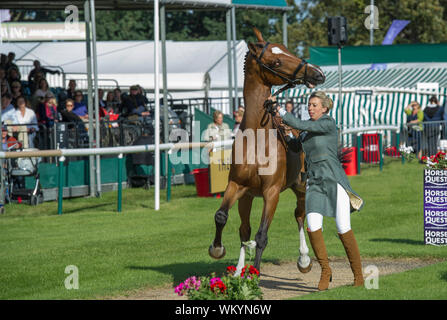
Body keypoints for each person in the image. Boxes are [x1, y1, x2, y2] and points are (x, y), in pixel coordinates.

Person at [274, 91, 364, 291]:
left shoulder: (328, 123)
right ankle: (326, 270)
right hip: (314, 183)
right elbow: (296, 146)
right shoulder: (306, 130)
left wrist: (281, 110)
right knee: (313, 226)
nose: (310, 108)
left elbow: (304, 125)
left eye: (314, 105)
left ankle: (358, 275)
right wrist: (285, 132)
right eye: (309, 105)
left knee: (343, 228)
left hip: (334, 181)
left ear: (324, 108)